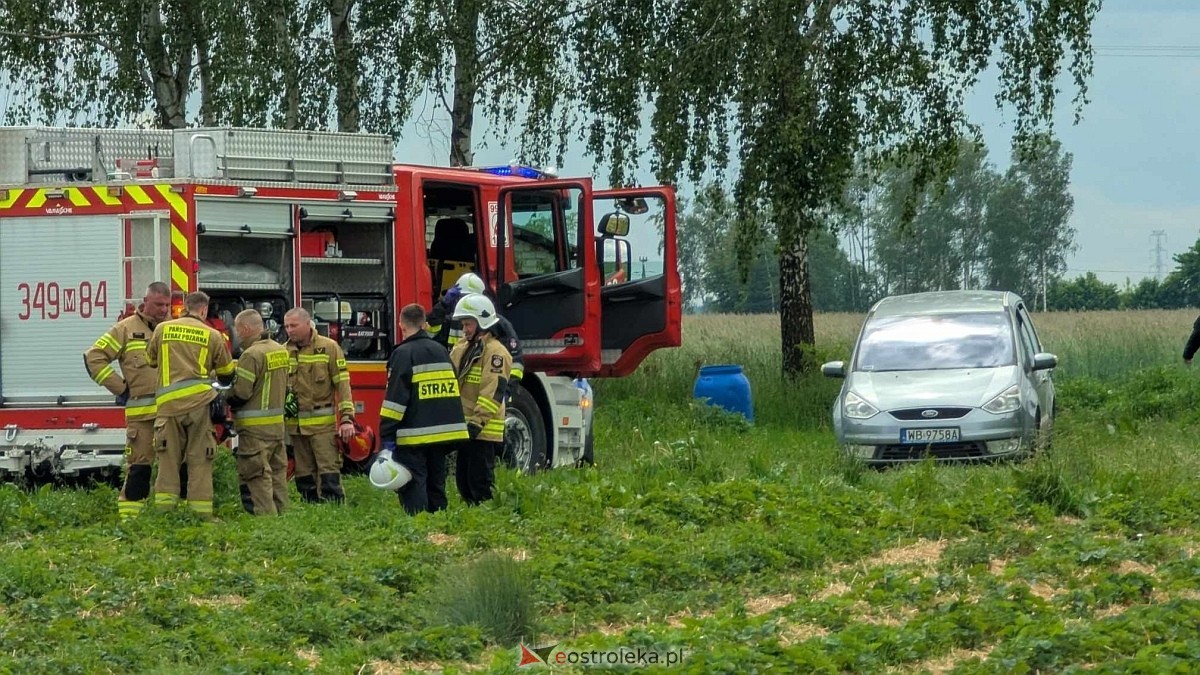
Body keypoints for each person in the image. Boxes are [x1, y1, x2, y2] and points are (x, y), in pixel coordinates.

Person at [84, 281, 173, 520]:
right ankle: (130, 520)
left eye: (167, 304)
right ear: (145, 302)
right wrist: (120, 388)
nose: (164, 310)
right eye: (158, 304)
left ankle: (169, 516)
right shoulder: (125, 329)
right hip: (141, 416)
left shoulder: (174, 329)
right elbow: (93, 357)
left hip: (173, 414)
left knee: (174, 468)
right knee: (139, 468)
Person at [145, 291, 236, 518]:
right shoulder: (212, 335)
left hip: (168, 407)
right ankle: (201, 516)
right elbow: (226, 374)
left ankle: (165, 514)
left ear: (185, 306)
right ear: (204, 310)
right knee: (200, 461)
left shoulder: (162, 329)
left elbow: (151, 360)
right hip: (199, 406)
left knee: (167, 462)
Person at [377, 304, 469, 514]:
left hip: (413, 436)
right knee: (436, 482)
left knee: (413, 482)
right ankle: (440, 524)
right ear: (424, 324)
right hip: (443, 434)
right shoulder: (441, 351)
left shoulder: (402, 354)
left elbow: (395, 401)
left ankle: (419, 527)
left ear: (401, 325)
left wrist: (387, 434)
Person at [283, 307, 356, 503]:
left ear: (308, 324)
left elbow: (343, 384)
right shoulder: (283, 352)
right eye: (287, 326)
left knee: (328, 472)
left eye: (294, 325)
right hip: (295, 428)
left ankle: (334, 511)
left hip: (322, 427)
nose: (290, 330)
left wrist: (347, 418)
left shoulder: (329, 347)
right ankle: (311, 511)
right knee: (303, 474)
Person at [448, 293, 512, 505]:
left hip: (483, 430)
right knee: (464, 483)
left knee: (480, 483)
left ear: (483, 322)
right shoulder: (463, 348)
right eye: (463, 324)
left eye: (468, 324)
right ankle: (473, 519)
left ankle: (487, 521)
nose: (464, 329)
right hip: (466, 427)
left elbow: (492, 391)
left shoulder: (496, 353)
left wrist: (477, 423)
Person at [228, 309, 290, 515]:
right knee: (278, 476)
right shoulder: (279, 349)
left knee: (257, 477)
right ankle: (282, 519)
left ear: (245, 329)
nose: (236, 335)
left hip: (254, 432)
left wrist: (222, 395)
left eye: (237, 330)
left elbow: (242, 392)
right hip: (276, 428)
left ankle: (266, 524)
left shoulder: (251, 355)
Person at [428, 272, 524, 400]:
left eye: (470, 299)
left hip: (490, 396)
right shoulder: (451, 321)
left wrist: (505, 391)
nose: (465, 303)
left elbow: (516, 363)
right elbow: (429, 334)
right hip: (462, 395)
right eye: (461, 298)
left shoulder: (498, 324)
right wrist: (443, 305)